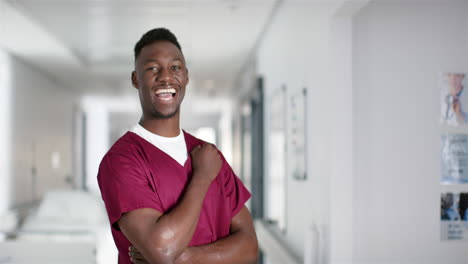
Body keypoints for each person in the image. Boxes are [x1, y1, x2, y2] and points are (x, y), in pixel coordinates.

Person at [97, 28, 258, 264]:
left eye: (175, 68)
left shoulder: (209, 153)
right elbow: (162, 251)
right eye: (152, 68)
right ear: (135, 79)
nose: (165, 77)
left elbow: (250, 247)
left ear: (186, 76)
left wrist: (185, 258)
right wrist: (202, 177)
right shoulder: (122, 160)